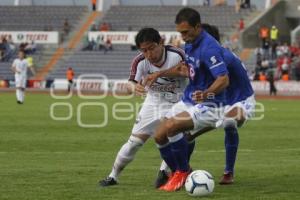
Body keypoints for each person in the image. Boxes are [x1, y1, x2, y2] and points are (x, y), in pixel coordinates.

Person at [144, 8, 255, 191]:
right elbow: (186, 70)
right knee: (160, 133)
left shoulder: (212, 50)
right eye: (180, 33)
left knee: (228, 123)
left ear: (198, 28)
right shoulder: (191, 45)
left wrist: (205, 95)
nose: (183, 37)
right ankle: (178, 171)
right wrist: (159, 74)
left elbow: (223, 80)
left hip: (234, 100)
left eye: (185, 32)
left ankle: (225, 171)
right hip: (204, 99)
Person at [98, 28, 187, 187]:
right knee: (134, 142)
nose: (149, 54)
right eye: (144, 50)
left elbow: (189, 72)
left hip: (177, 103)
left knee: (172, 137)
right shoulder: (140, 61)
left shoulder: (177, 55)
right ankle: (113, 176)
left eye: (151, 48)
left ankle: (165, 171)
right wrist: (133, 88)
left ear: (161, 42)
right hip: (153, 102)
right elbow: (130, 83)